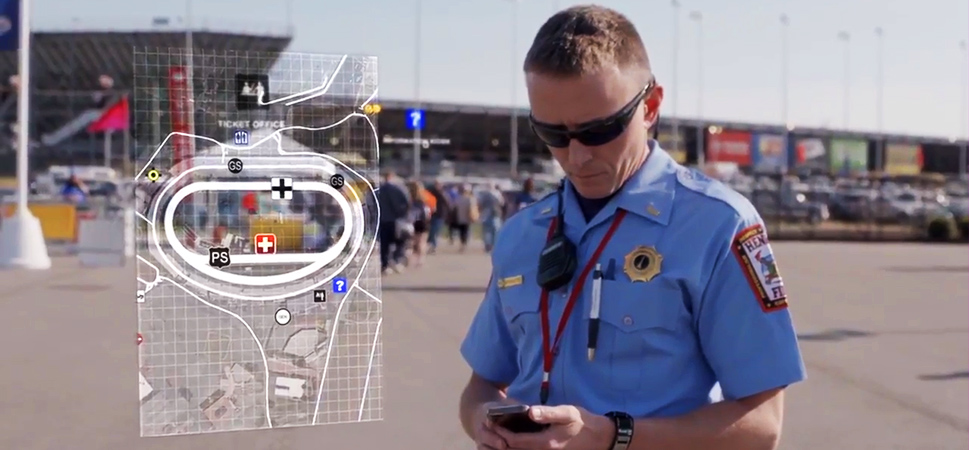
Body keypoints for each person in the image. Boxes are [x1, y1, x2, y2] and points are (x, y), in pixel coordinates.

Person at [458, 6, 805, 450]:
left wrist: (611, 436)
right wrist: (483, 419)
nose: (576, 156)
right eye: (552, 134)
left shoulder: (717, 226)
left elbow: (763, 425)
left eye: (600, 130)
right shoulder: (522, 233)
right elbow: (480, 387)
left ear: (651, 107)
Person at [377, 171, 412, 274]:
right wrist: (404, 214)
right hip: (397, 220)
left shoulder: (379, 190)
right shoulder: (399, 188)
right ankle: (397, 261)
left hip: (383, 219)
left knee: (384, 244)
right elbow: (407, 202)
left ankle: (385, 265)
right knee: (400, 241)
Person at [406, 180, 433, 267]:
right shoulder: (424, 199)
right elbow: (428, 211)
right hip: (423, 221)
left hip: (412, 221)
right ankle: (420, 260)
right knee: (422, 241)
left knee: (412, 241)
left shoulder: (409, 198)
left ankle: (409, 258)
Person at [477, 182, 506, 252]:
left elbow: (480, 204)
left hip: (486, 215)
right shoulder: (497, 194)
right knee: (496, 231)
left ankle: (488, 246)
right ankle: (494, 246)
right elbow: (502, 203)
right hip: (495, 214)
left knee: (487, 231)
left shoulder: (484, 195)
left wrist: (481, 212)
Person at [426, 180, 452, 253]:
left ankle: (432, 245)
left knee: (433, 230)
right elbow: (448, 203)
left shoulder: (431, 192)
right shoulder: (441, 193)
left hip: (435, 214)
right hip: (438, 214)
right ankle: (432, 245)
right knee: (434, 231)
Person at [452, 184, 479, 253]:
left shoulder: (458, 198)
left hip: (460, 217)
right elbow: (473, 208)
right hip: (468, 218)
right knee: (466, 231)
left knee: (462, 232)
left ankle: (462, 244)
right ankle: (464, 244)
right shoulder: (470, 199)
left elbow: (455, 207)